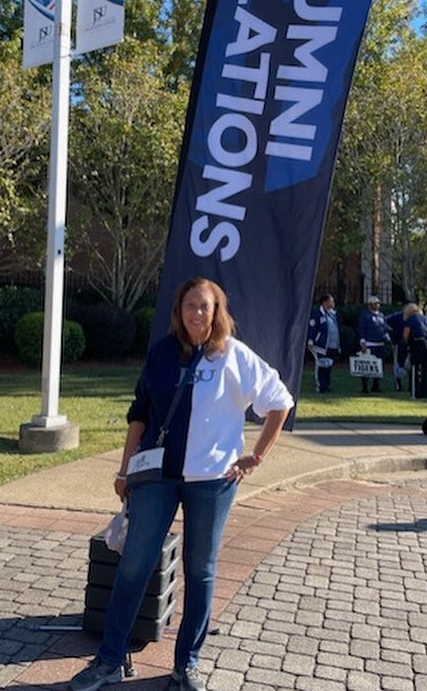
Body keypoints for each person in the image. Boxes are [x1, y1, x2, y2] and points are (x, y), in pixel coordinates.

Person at [69, 278, 293, 691]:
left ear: (216, 311)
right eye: (189, 306)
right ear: (179, 310)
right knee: (134, 565)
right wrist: (123, 471)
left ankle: (186, 664)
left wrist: (256, 456)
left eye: (204, 307)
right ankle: (109, 660)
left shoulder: (234, 357)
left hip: (213, 482)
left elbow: (280, 401)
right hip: (157, 478)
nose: (196, 314)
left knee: (200, 570)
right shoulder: (162, 354)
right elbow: (139, 414)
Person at [306, 293, 340, 393]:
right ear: (325, 302)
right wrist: (311, 340)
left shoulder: (333, 314)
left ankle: (326, 385)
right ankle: (320, 386)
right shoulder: (317, 314)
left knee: (329, 365)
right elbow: (312, 327)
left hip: (332, 345)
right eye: (331, 301)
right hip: (320, 345)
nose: (333, 303)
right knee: (321, 365)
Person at [402, 303, 427, 400]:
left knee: (414, 367)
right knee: (424, 368)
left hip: (415, 343)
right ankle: (424, 392)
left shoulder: (410, 319)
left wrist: (406, 342)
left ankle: (415, 391)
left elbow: (405, 334)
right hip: (425, 344)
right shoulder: (425, 318)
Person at [357, 295, 389, 393]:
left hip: (380, 344)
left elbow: (384, 328)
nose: (377, 305)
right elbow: (361, 329)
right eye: (375, 303)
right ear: (370, 305)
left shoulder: (381, 316)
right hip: (369, 344)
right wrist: (362, 342)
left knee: (379, 366)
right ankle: (365, 386)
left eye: (378, 303)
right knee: (367, 365)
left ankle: (376, 385)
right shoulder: (365, 315)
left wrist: (387, 337)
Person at [386, 307, 408, 391]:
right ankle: (398, 384)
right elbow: (385, 321)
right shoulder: (397, 316)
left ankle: (411, 384)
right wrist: (392, 333)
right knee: (397, 363)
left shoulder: (412, 316)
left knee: (408, 364)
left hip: (409, 343)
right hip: (398, 343)